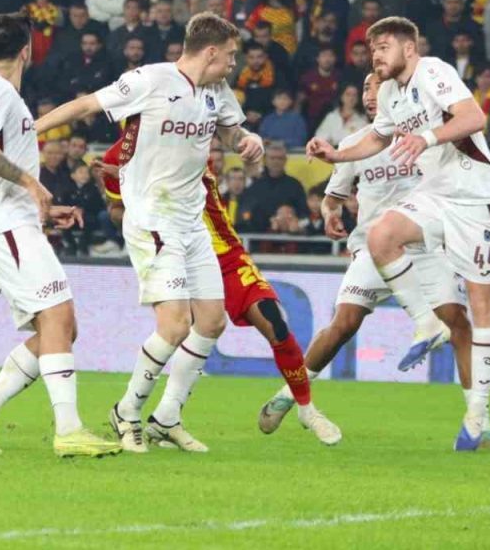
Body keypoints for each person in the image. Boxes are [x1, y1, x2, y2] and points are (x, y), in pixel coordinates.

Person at [33, 13, 265, 453]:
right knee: (175, 325)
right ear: (210, 51)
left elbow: (232, 134)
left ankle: (167, 417)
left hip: (192, 222)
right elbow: (86, 106)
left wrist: (248, 140)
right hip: (152, 219)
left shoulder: (216, 91)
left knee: (212, 321)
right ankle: (127, 411)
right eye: (231, 55)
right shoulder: (151, 80)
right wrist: (31, 128)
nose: (234, 63)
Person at [262, 72, 490, 447]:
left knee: (458, 324)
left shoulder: (424, 136)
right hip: (373, 247)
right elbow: (333, 197)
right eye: (365, 87)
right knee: (343, 324)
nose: (370, 93)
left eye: (377, 85)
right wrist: (329, 213)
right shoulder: (355, 143)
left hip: (424, 248)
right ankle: (288, 393)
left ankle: (480, 422)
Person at [0, 14, 120, 459]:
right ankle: (69, 429)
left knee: (61, 326)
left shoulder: (3, 94)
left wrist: (40, 208)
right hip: (0, 220)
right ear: (26, 52)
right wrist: (31, 184)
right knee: (57, 314)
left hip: (11, 219)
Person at [97, 144, 341, 447]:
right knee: (177, 327)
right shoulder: (118, 155)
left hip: (227, 254)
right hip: (173, 249)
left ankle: (305, 408)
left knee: (274, 324)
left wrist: (247, 139)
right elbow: (116, 212)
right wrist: (135, 188)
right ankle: (134, 411)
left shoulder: (192, 137)